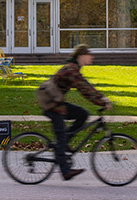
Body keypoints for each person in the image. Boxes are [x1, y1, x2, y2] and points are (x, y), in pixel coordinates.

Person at [39, 44, 111, 181]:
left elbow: (85, 84)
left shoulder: (74, 68)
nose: (92, 57)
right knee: (60, 137)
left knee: (82, 114)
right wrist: (101, 101)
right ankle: (65, 170)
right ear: (81, 56)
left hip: (57, 101)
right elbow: (83, 88)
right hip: (51, 104)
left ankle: (64, 140)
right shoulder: (71, 69)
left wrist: (100, 97)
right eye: (89, 54)